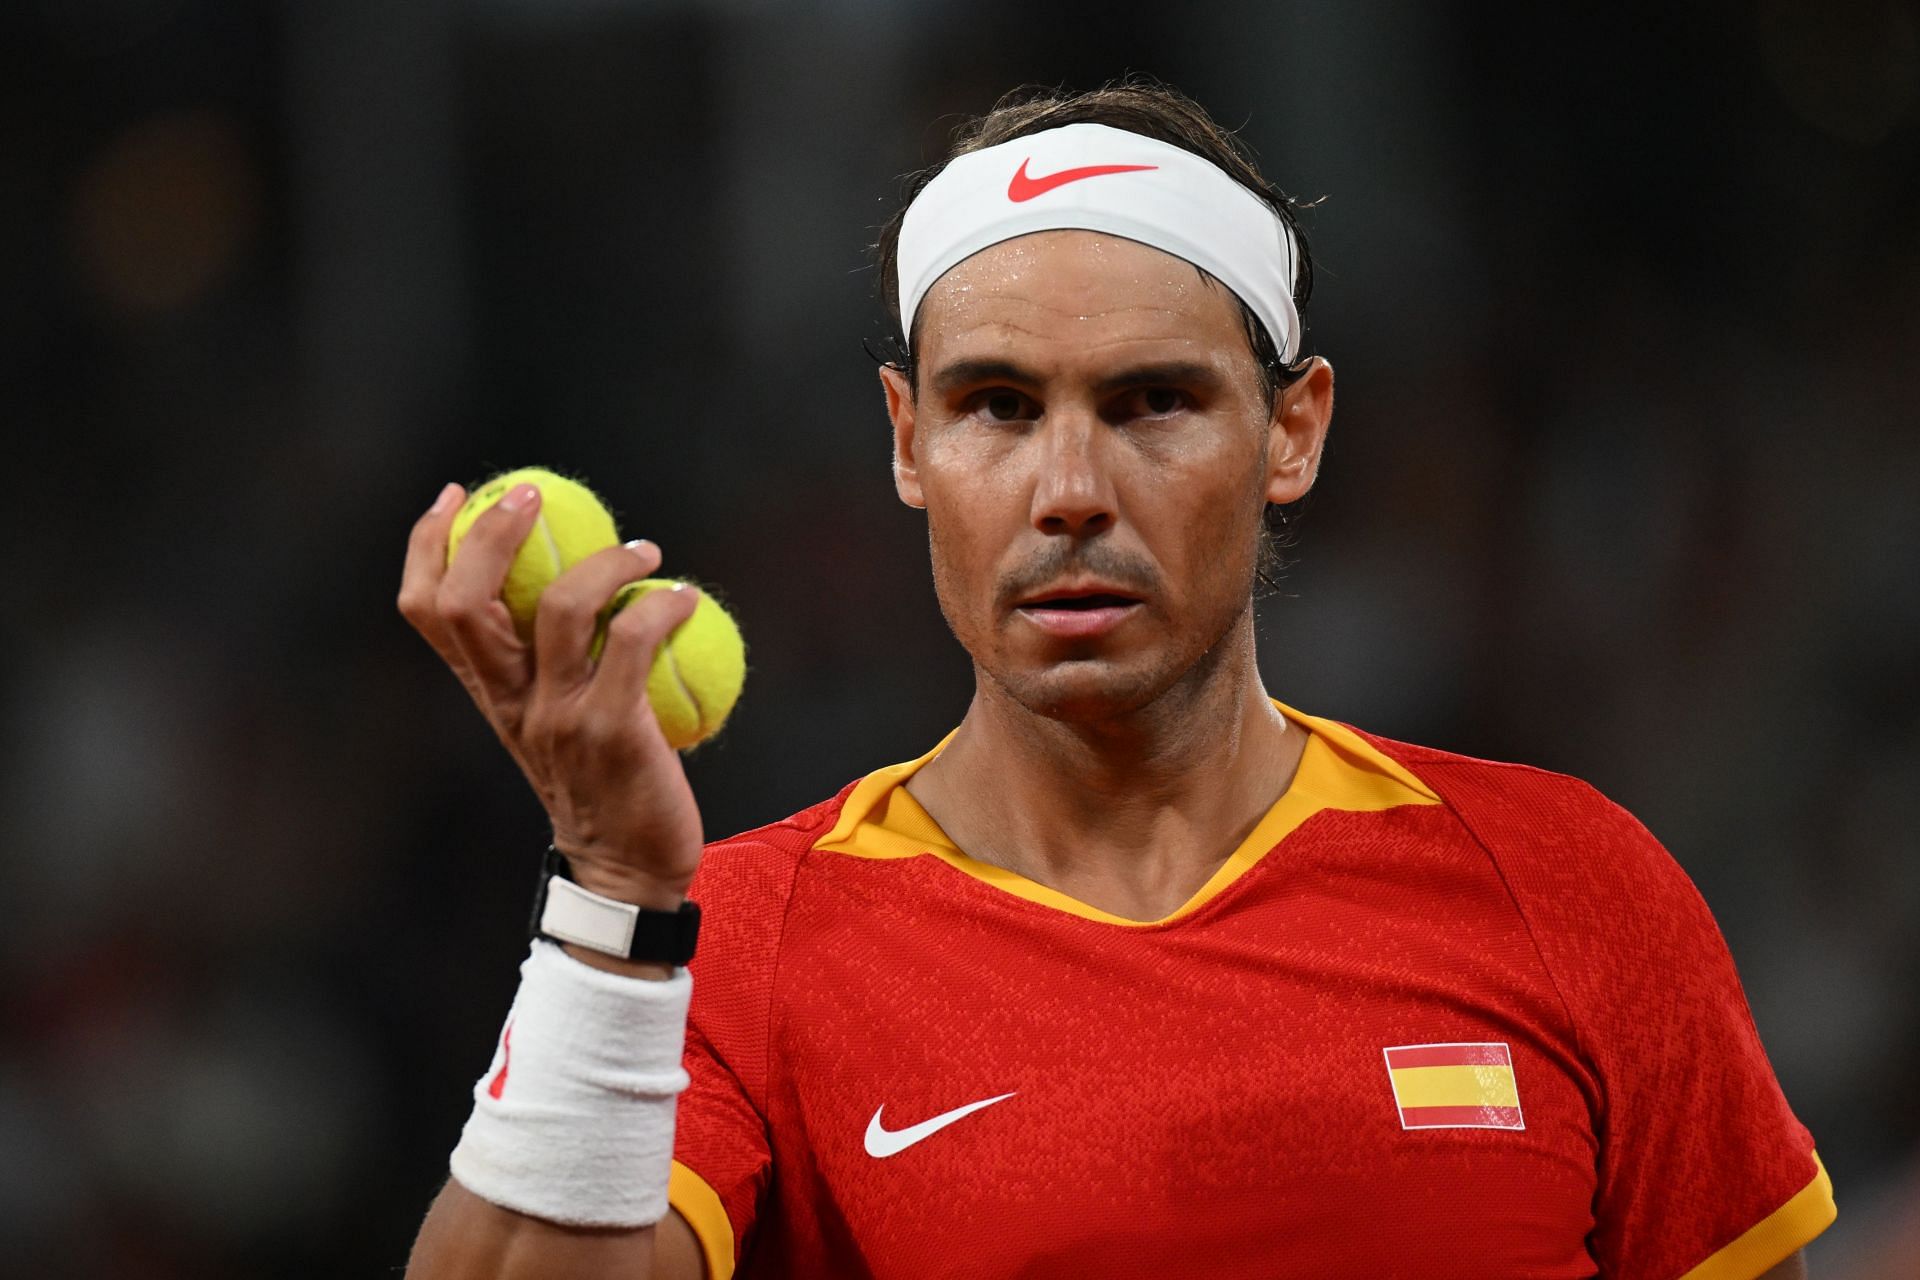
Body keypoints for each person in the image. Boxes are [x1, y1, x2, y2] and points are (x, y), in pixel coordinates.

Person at [399, 82, 1834, 1279]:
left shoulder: (1570, 886)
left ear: (1294, 431)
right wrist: (610, 892)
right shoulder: (743, 947)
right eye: (997, 408)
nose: (1069, 490)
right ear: (908, 442)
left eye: (1154, 402)